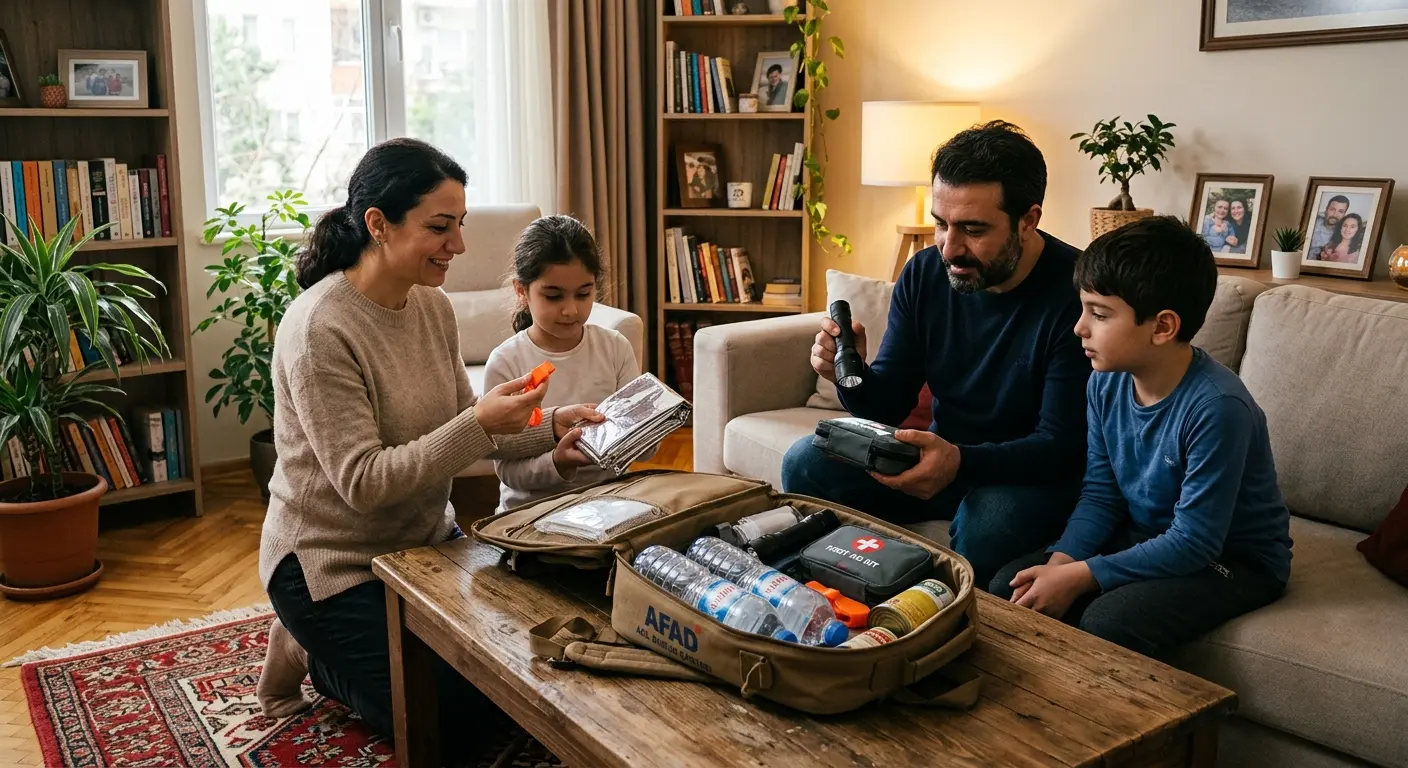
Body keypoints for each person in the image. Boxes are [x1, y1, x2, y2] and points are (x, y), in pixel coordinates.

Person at [254, 138, 603, 761]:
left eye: (460, 225)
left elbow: (461, 423)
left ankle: (343, 652)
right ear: (378, 225)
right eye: (440, 227)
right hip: (330, 563)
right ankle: (308, 648)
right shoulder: (319, 329)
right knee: (453, 719)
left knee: (525, 678)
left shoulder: (432, 306)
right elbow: (362, 482)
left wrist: (553, 427)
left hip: (424, 544)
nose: (460, 245)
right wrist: (480, 424)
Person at [781, 121, 1091, 587]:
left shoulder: (1079, 294)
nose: (949, 248)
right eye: (941, 223)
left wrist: (959, 462)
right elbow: (887, 404)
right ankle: (841, 589)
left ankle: (931, 621)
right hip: (943, 460)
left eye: (973, 229)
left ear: (1029, 219)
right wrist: (851, 373)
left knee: (988, 531)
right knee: (806, 460)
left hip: (1028, 473)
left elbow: (1062, 446)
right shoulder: (925, 273)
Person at [990, 216, 1292, 659]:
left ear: (1162, 327)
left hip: (1233, 560)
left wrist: (1083, 576)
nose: (1080, 328)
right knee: (1010, 586)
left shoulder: (1218, 408)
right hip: (1147, 533)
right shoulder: (1104, 382)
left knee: (1109, 622)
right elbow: (1101, 494)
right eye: (1083, 308)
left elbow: (1195, 541)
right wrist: (1061, 563)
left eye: (1099, 313)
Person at [483, 215, 645, 512]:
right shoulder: (506, 362)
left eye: (584, 294)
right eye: (553, 296)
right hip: (530, 514)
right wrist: (556, 462)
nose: (571, 310)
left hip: (607, 505)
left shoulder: (614, 347)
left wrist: (650, 425)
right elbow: (507, 470)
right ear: (522, 291)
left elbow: (639, 448)